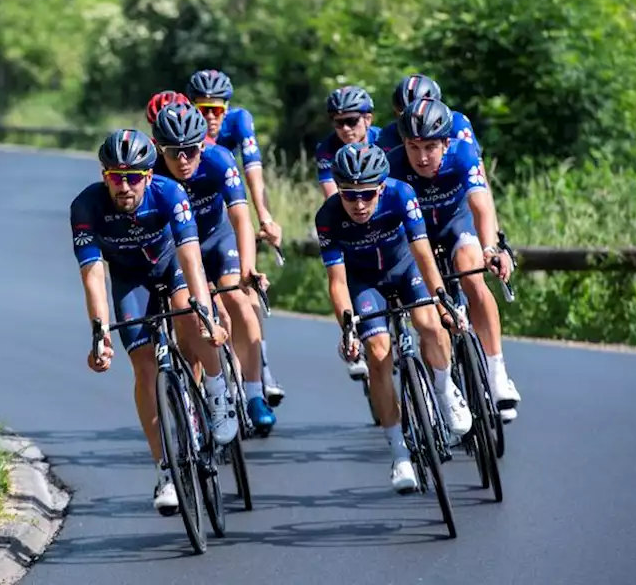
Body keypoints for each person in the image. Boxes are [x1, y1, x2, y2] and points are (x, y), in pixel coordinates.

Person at [71, 128, 237, 516]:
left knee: (192, 323)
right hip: (129, 279)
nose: (124, 187)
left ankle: (216, 394)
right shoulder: (86, 207)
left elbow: (192, 258)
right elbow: (94, 275)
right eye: (116, 177)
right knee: (144, 366)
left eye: (133, 178)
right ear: (104, 175)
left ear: (148, 176)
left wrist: (207, 315)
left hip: (171, 266)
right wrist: (99, 334)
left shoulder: (170, 193)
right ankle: (166, 469)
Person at [315, 141, 473, 492]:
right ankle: (400, 454)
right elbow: (337, 282)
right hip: (364, 283)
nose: (358, 204)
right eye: (348, 195)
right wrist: (347, 327)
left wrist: (443, 300)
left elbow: (423, 252)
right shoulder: (327, 217)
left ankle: (446, 392)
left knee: (430, 324)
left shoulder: (402, 195)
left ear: (382, 187)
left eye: (368, 195)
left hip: (406, 269)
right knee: (379, 354)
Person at [387, 98, 522, 421]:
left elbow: (481, 206)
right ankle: (442, 389)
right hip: (416, 236)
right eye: (413, 146)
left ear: (446, 142)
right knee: (429, 313)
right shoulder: (393, 165)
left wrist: (490, 249)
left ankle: (496, 372)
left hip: (455, 223)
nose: (421, 157)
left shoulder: (462, 153)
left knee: (471, 276)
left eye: (430, 147)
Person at [151, 102, 276, 435]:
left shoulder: (219, 159)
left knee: (238, 298)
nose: (182, 160)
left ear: (202, 144)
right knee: (186, 315)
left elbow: (240, 219)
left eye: (190, 151)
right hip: (178, 248)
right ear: (158, 147)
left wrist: (249, 266)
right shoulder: (151, 171)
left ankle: (253, 395)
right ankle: (203, 396)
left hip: (217, 239)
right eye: (173, 152)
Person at [185, 68, 286, 407]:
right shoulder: (185, 135)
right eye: (204, 109)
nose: (212, 117)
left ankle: (260, 364)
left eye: (217, 109)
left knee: (244, 291)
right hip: (193, 215)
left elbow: (253, 172)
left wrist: (266, 217)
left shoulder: (239, 121)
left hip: (228, 207)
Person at [376, 74, 482, 157]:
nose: (413, 123)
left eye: (420, 117)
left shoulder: (457, 123)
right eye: (405, 116)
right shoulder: (388, 134)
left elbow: (476, 168)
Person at [314, 85, 383, 199]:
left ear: (368, 120)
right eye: (339, 123)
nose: (345, 128)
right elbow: (332, 197)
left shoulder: (383, 140)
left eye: (351, 121)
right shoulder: (326, 148)